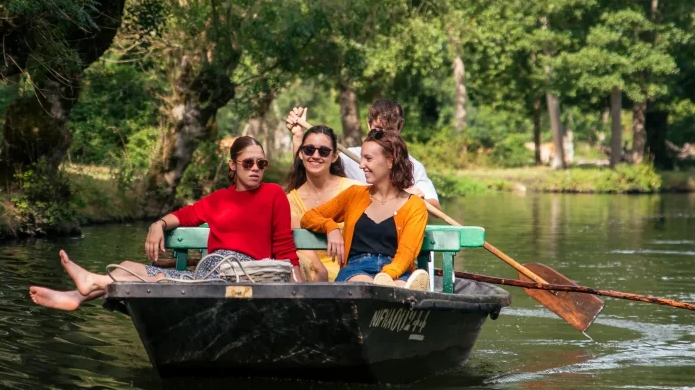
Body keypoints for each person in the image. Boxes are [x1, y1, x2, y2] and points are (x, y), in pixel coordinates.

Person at [29, 136, 302, 311]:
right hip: (210, 271)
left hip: (240, 275)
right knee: (126, 266)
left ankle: (89, 286)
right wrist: (158, 224)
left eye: (261, 163)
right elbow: (183, 216)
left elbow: (284, 247)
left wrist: (298, 287)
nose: (256, 168)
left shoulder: (273, 194)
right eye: (248, 162)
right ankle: (77, 296)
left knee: (169, 276)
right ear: (233, 165)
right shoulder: (218, 199)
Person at [301, 129, 430, 290]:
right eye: (362, 158)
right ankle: (392, 291)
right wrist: (330, 227)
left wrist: (386, 276)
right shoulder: (354, 195)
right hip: (357, 268)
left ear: (390, 161)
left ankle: (404, 291)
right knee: (364, 287)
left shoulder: (415, 205)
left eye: (368, 159)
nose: (361, 165)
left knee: (397, 289)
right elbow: (309, 217)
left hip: (397, 270)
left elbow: (406, 254)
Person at [286, 99, 441, 211]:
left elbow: (435, 208)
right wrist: (298, 135)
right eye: (378, 129)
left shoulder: (413, 166)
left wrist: (410, 198)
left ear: (400, 127)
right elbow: (308, 167)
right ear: (368, 125)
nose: (384, 136)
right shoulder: (348, 157)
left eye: (390, 130)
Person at [285, 125, 360, 282]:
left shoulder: (353, 189)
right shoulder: (290, 201)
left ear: (334, 157)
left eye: (324, 151)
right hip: (313, 277)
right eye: (309, 150)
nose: (316, 155)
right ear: (300, 153)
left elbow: (384, 197)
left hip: (353, 272)